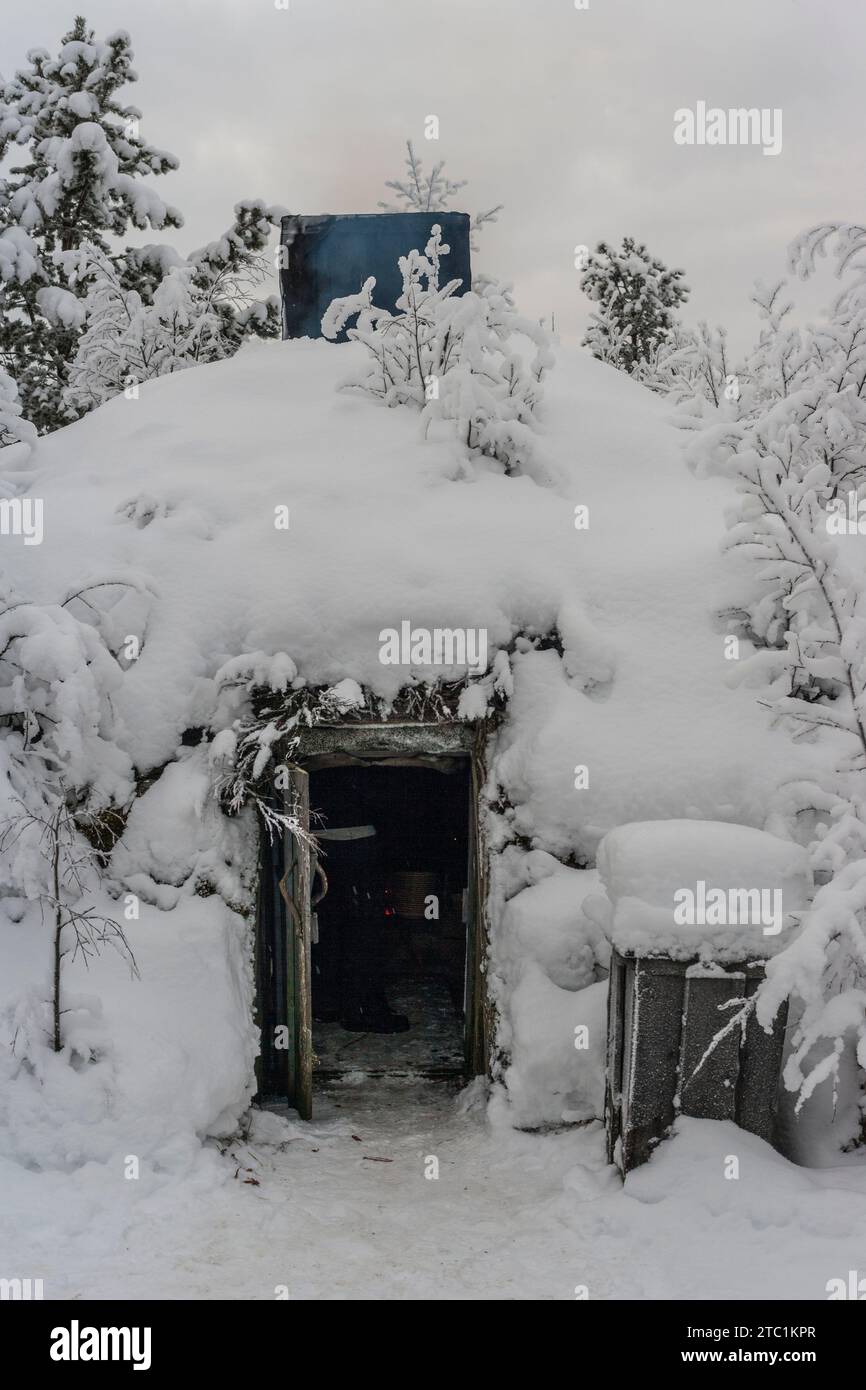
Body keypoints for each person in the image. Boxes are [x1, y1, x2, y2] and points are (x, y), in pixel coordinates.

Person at [312, 767, 409, 1034]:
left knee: (327, 925)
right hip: (357, 840)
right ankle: (361, 1009)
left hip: (319, 836)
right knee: (362, 929)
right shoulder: (364, 780)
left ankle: (327, 1002)